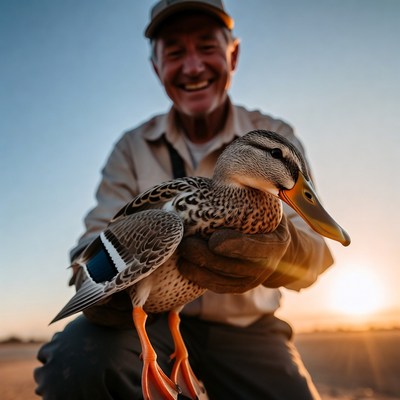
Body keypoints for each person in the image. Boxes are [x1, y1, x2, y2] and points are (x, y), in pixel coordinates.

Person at [34, 1, 334, 399]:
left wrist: (280, 253)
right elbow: (96, 236)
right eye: (175, 52)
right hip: (151, 316)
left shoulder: (274, 138)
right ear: (157, 67)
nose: (193, 67)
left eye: (207, 46)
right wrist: (98, 278)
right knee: (80, 363)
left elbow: (318, 255)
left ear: (233, 54)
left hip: (247, 331)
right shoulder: (130, 148)